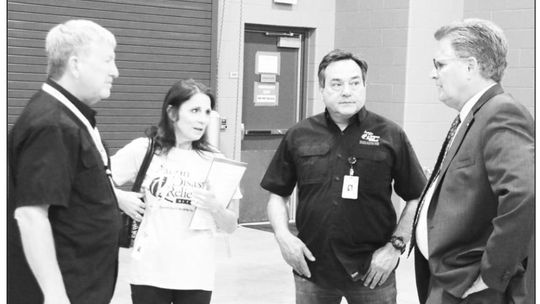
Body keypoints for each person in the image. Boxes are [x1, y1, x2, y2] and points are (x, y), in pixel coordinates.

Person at [261, 49, 427, 304]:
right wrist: (284, 238)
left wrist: (394, 247)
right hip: (312, 268)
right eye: (336, 84)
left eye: (354, 83)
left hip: (373, 271)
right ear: (322, 88)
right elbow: (277, 195)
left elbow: (417, 197)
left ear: (364, 85)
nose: (346, 91)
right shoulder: (299, 134)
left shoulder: (391, 134)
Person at [411, 18, 534, 304]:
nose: (433, 73)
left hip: (473, 288)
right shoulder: (474, 115)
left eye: (440, 64)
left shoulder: (501, 114)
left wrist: (492, 275)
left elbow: (525, 194)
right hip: (449, 278)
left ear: (470, 66)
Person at [7, 19, 120, 304]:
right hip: (67, 291)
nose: (115, 72)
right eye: (108, 60)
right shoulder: (53, 125)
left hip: (83, 285)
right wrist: (55, 294)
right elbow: (31, 216)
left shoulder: (70, 118)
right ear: (76, 64)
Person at [111, 79, 240, 304]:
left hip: (195, 274)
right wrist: (120, 197)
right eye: (195, 110)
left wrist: (216, 207)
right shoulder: (145, 149)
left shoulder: (215, 160)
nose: (202, 119)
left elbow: (231, 225)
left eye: (207, 112)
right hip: (149, 271)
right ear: (172, 113)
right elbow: (95, 180)